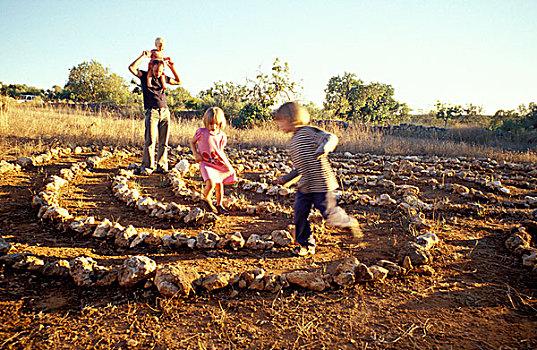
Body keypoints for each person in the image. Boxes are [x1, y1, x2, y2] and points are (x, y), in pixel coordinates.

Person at [273, 101, 363, 256]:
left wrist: (325, 147)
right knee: (299, 214)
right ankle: (306, 244)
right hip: (305, 186)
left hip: (321, 184)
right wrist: (287, 178)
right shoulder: (293, 141)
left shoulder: (308, 132)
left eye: (281, 121)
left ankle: (348, 222)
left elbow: (331, 137)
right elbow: (301, 168)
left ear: (292, 119)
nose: (279, 125)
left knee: (329, 214)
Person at [128, 50, 181, 175]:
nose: (158, 73)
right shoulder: (144, 75)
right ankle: (147, 166)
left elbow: (178, 81)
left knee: (164, 142)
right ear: (151, 67)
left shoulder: (163, 78)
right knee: (150, 140)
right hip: (152, 112)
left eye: (160, 71)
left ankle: (162, 165)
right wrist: (142, 56)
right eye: (156, 70)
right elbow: (131, 68)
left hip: (165, 112)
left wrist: (172, 68)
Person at [190, 107, 237, 215]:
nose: (213, 126)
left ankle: (219, 205)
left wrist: (226, 164)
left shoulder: (222, 135)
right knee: (210, 183)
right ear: (206, 122)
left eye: (216, 124)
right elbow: (192, 142)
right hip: (205, 162)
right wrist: (196, 154)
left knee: (219, 185)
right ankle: (206, 199)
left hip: (218, 162)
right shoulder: (201, 132)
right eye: (211, 123)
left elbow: (219, 150)